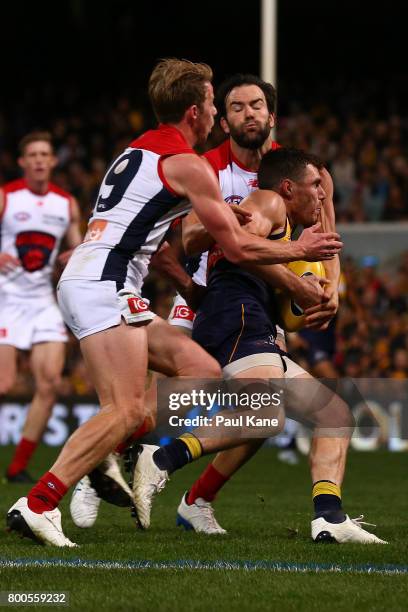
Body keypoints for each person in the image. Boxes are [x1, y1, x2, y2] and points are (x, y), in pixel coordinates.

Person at [6, 59, 341, 547]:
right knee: (123, 410)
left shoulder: (140, 150)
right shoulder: (191, 164)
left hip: (101, 278)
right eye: (212, 103)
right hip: (107, 282)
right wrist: (299, 251)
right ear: (195, 110)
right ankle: (39, 502)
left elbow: (160, 238)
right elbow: (240, 248)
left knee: (196, 375)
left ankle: (118, 455)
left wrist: (186, 285)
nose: (215, 114)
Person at [130, 147, 385, 543]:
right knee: (267, 414)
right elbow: (239, 249)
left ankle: (329, 518)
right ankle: (161, 458)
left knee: (334, 413)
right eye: (314, 185)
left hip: (253, 319)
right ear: (288, 187)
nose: (320, 194)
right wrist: (298, 272)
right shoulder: (268, 202)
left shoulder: (285, 220)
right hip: (235, 313)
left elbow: (270, 268)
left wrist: (307, 292)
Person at [0, 131, 82, 482]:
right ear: (22, 162)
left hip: (42, 302)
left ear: (52, 161)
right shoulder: (7, 197)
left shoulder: (66, 204)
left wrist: (71, 256)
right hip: (6, 300)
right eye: (31, 154)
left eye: (44, 154)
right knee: (3, 385)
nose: (38, 159)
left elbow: (79, 251)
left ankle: (17, 467)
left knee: (48, 384)